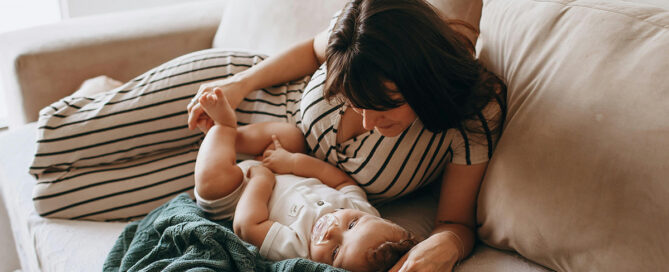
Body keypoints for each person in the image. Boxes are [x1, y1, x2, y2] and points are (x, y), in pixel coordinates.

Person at [30, 0, 504, 270]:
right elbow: (307, 52)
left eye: (384, 110)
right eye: (351, 101)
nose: (362, 120)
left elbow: (455, 224)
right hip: (253, 97)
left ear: (426, 85)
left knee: (58, 195)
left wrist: (447, 246)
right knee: (53, 140)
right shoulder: (360, 30)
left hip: (256, 174)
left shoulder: (469, 117)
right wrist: (238, 86)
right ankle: (106, 93)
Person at [194, 89, 417, 272]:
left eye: (336, 251)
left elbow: (247, 225)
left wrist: (261, 180)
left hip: (238, 194)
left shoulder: (298, 248)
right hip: (278, 165)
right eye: (351, 224)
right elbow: (340, 181)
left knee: (213, 182)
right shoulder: (361, 208)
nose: (332, 231)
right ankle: (227, 141)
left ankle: (223, 128)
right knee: (290, 136)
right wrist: (293, 162)